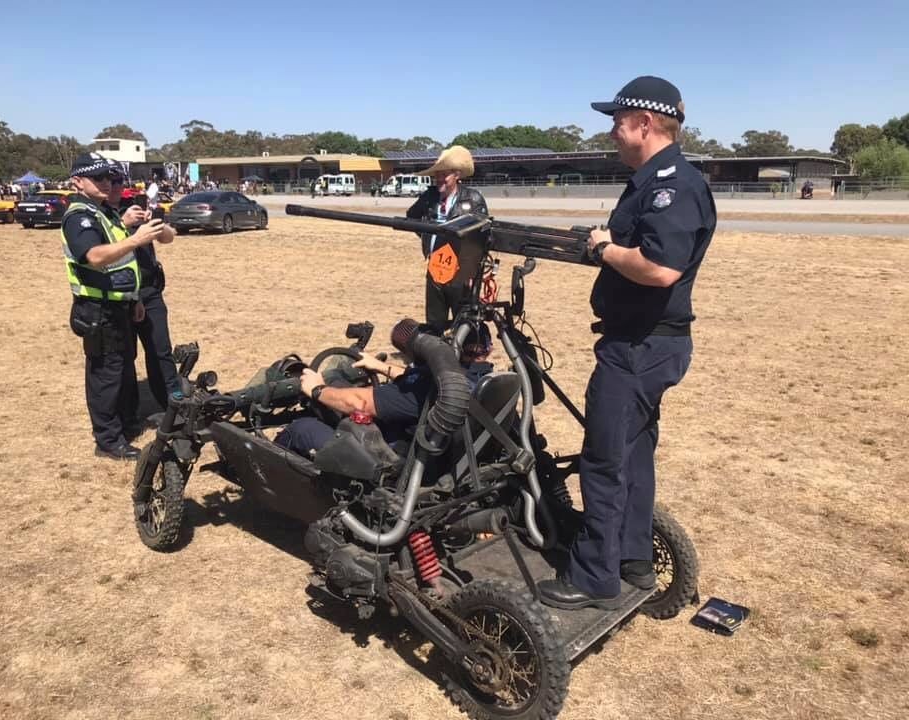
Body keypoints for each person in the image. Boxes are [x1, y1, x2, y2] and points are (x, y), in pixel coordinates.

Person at [537, 77, 716, 610]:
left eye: (617, 121)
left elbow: (660, 269)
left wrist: (604, 251)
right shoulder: (649, 180)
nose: (611, 131)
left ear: (644, 123)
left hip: (639, 347)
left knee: (604, 460)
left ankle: (593, 578)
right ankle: (634, 561)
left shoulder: (671, 185)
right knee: (633, 456)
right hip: (645, 344)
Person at [62, 152, 166, 460]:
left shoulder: (103, 211)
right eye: (99, 178)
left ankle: (122, 424)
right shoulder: (79, 215)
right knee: (105, 375)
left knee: (120, 370)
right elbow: (94, 256)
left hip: (119, 305)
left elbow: (120, 263)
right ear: (78, 182)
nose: (107, 184)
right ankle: (107, 441)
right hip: (97, 309)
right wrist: (136, 239)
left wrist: (133, 298)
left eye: (110, 178)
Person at [276, 321, 494, 459]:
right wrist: (381, 367)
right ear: (489, 349)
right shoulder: (484, 382)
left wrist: (317, 389)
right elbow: (420, 378)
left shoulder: (426, 391)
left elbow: (358, 402)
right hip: (443, 460)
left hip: (392, 461)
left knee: (302, 428)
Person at [105, 163, 180, 414]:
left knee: (161, 351)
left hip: (149, 292)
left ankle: (173, 404)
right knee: (125, 357)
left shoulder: (134, 209)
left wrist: (156, 225)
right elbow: (97, 252)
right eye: (109, 183)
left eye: (118, 183)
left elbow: (170, 238)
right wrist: (124, 226)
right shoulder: (100, 216)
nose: (114, 188)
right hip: (119, 295)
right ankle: (129, 411)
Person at [406, 146, 488, 332]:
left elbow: (481, 236)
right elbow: (411, 217)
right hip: (435, 268)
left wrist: (471, 271)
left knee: (464, 323)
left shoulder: (473, 198)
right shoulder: (429, 197)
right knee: (435, 323)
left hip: (461, 272)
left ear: (457, 175)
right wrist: (427, 235)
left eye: (444, 175)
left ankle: (463, 358)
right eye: (437, 175)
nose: (439, 179)